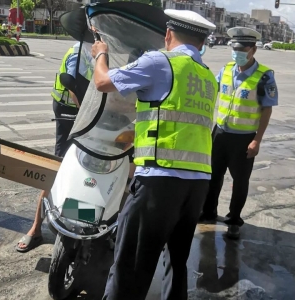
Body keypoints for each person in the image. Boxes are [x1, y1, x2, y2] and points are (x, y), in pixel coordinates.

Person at [92, 9, 218, 300]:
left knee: (131, 268)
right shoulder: (206, 76)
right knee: (177, 263)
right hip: (197, 186)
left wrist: (101, 53)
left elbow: (103, 83)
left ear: (168, 35)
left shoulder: (160, 61)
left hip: (160, 182)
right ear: (201, 44)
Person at [199, 27, 278, 239]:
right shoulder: (226, 70)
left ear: (253, 50)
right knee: (213, 176)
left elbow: (267, 110)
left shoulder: (264, 77)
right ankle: (208, 212)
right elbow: (210, 90)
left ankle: (234, 220)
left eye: (242, 49)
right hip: (220, 134)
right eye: (234, 49)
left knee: (240, 182)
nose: (237, 53)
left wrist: (257, 140)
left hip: (244, 139)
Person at [16, 42, 94, 252]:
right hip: (69, 113)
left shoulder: (102, 51)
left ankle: (80, 217)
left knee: (87, 171)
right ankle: (36, 229)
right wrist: (87, 114)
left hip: (89, 117)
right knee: (57, 167)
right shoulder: (79, 52)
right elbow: (71, 84)